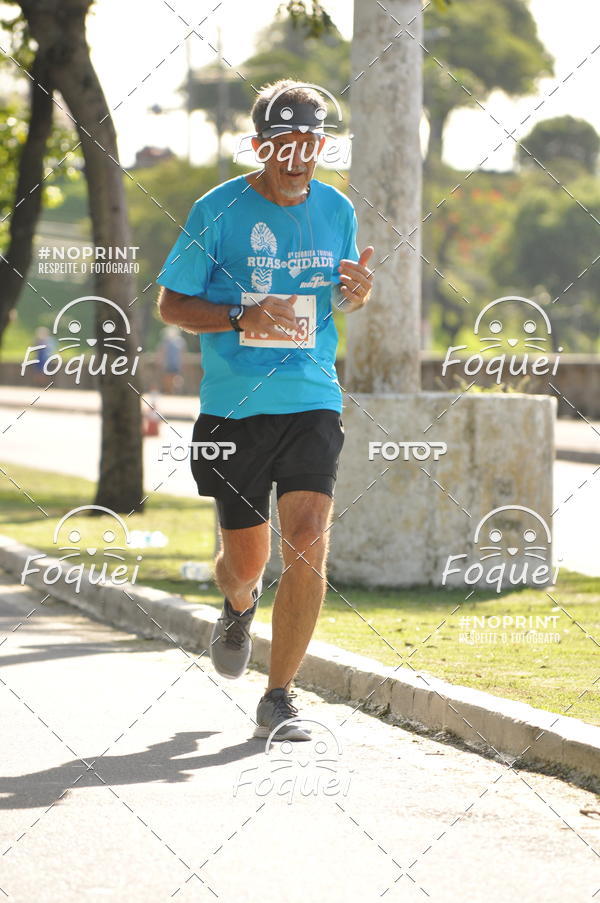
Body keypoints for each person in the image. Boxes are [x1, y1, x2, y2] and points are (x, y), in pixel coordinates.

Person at [156, 79, 374, 741]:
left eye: (310, 143)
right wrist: (238, 314)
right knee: (247, 563)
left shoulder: (336, 210)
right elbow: (171, 306)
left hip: (311, 395)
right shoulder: (217, 211)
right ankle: (237, 601)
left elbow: (342, 296)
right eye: (284, 143)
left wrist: (358, 292)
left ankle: (279, 695)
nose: (298, 156)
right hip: (233, 408)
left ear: (321, 146)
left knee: (307, 536)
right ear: (261, 146)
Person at [158, 325, 186, 394]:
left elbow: (161, 352)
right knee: (175, 377)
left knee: (169, 378)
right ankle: (173, 391)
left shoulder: (165, 342)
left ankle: (170, 391)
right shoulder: (180, 341)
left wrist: (160, 361)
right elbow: (183, 353)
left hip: (169, 363)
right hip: (175, 363)